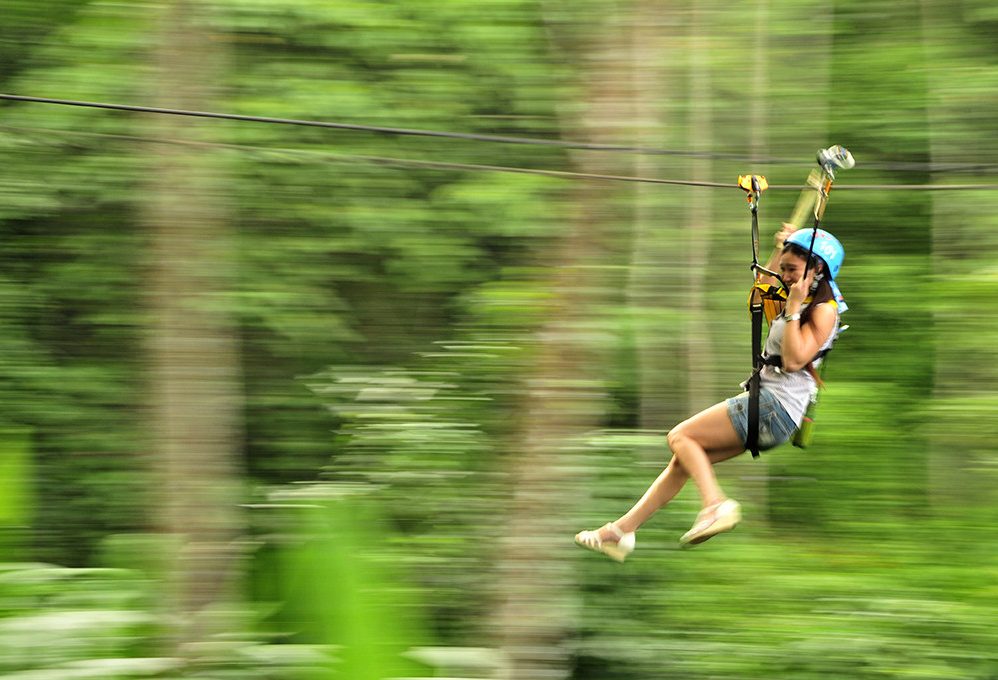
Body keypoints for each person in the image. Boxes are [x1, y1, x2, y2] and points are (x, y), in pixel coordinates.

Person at [575, 223, 846, 560]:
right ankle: (621, 531)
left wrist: (791, 310)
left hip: (774, 407)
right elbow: (762, 288)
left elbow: (793, 360)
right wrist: (782, 248)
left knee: (680, 436)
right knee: (682, 461)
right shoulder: (798, 299)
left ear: (817, 268)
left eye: (792, 270)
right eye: (785, 269)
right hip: (772, 410)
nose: (786, 276)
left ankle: (715, 505)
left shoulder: (822, 310)